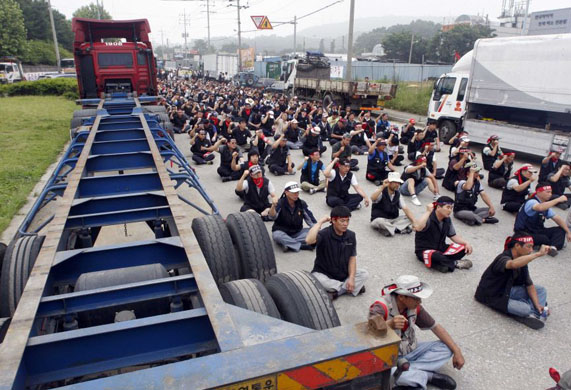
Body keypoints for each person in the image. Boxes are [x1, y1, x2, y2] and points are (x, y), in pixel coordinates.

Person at [369, 275, 464, 390]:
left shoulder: (415, 306)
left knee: (447, 348)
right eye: (416, 298)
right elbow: (368, 334)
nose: (420, 301)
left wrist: (456, 350)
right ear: (402, 297)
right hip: (388, 358)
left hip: (409, 350)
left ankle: (408, 375)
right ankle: (427, 376)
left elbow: (435, 327)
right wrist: (389, 325)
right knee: (383, 374)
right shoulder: (380, 307)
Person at [475, 234, 550, 330]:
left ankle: (535, 313)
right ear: (517, 246)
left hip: (508, 290)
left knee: (541, 290)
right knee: (525, 308)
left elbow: (529, 284)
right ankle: (527, 312)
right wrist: (537, 254)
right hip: (493, 296)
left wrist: (538, 305)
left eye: (532, 247)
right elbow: (513, 264)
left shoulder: (523, 259)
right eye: (529, 246)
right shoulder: (503, 258)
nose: (531, 250)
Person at [306, 206, 369, 300]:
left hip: (343, 274)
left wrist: (351, 278)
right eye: (342, 221)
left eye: (347, 221)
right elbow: (309, 240)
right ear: (334, 221)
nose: (346, 224)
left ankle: (336, 293)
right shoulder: (324, 234)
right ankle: (351, 288)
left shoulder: (351, 235)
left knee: (364, 273)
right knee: (316, 278)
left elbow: (352, 257)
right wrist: (320, 222)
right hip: (324, 273)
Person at [414, 196, 474, 273]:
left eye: (451, 208)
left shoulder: (447, 219)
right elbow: (418, 228)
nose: (450, 210)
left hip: (440, 248)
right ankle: (454, 263)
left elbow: (453, 236)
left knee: (463, 248)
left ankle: (442, 264)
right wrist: (428, 211)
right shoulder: (428, 217)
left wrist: (466, 243)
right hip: (425, 251)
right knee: (436, 256)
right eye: (448, 207)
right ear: (438, 207)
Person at [514, 182, 571, 256]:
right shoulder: (532, 202)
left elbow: (556, 218)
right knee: (544, 238)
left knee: (560, 230)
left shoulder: (545, 205)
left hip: (537, 230)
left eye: (551, 192)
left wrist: (568, 231)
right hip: (524, 232)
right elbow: (540, 207)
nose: (550, 194)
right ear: (538, 192)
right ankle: (548, 244)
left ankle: (553, 248)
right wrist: (557, 200)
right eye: (547, 192)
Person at [269, 181, 317, 252]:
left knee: (315, 233)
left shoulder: (301, 204)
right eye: (294, 192)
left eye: (297, 192)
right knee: (277, 236)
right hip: (282, 232)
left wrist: (316, 230)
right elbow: (272, 217)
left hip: (297, 232)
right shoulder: (280, 203)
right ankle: (300, 246)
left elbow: (311, 220)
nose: (296, 195)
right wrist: (273, 206)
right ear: (286, 192)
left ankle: (288, 245)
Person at [370, 172, 416, 237]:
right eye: (395, 182)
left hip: (393, 219)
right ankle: (398, 229)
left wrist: (414, 222)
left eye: (398, 183)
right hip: (380, 219)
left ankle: (389, 230)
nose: (397, 185)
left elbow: (405, 208)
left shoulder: (398, 194)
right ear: (389, 183)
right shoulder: (381, 191)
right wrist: (382, 187)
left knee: (409, 217)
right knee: (379, 222)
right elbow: (373, 198)